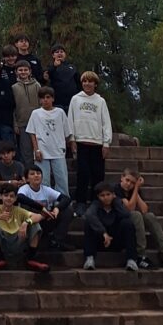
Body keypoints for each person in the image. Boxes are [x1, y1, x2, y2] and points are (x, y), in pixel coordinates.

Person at [68, 71, 113, 215]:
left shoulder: (100, 101)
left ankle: (96, 203)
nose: (87, 84)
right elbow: (70, 119)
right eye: (84, 81)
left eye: (90, 81)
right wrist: (72, 139)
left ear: (95, 84)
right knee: (83, 174)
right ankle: (80, 203)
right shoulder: (75, 99)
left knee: (98, 175)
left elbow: (106, 123)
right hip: (81, 142)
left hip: (97, 144)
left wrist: (106, 143)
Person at [115, 169, 163, 270]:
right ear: (121, 178)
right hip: (120, 225)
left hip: (132, 220)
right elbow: (129, 208)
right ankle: (141, 256)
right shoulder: (116, 189)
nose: (129, 184)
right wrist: (136, 187)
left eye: (132, 183)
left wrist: (136, 190)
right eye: (127, 180)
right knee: (136, 214)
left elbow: (144, 209)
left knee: (150, 216)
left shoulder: (133, 191)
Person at [0, 184, 48, 272]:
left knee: (35, 224)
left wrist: (26, 223)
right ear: (0, 196)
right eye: (6, 195)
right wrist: (0, 216)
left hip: (19, 241)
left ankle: (30, 258)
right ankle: (0, 258)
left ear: (15, 198)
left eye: (12, 196)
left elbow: (39, 216)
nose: (9, 198)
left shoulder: (18, 210)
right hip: (3, 242)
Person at [25, 86, 72, 196]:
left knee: (62, 179)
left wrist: (63, 145)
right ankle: (45, 202)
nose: (45, 100)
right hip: (42, 151)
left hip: (58, 150)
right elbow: (32, 133)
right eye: (42, 98)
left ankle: (63, 201)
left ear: (53, 98)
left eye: (48, 97)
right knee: (44, 180)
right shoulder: (36, 113)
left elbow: (67, 132)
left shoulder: (60, 112)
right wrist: (36, 149)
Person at [83, 181, 138, 271]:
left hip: (116, 240)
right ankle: (89, 258)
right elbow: (89, 214)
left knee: (127, 223)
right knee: (89, 223)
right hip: (101, 241)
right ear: (98, 197)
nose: (106, 198)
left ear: (113, 194)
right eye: (102, 195)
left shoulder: (117, 204)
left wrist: (116, 203)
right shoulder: (96, 205)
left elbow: (126, 214)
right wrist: (103, 232)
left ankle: (131, 260)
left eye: (108, 194)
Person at [16, 165, 73, 252]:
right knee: (31, 209)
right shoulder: (24, 189)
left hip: (46, 220)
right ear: (27, 179)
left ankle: (56, 241)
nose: (36, 175)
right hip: (30, 221)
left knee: (68, 210)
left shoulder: (46, 189)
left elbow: (66, 198)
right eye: (32, 174)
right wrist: (42, 208)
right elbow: (20, 198)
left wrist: (57, 208)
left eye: (38, 173)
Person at [11, 60, 41, 165]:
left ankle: (39, 171)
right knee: (26, 150)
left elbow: (41, 103)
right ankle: (29, 171)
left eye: (25, 70)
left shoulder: (37, 85)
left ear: (30, 71)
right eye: (20, 70)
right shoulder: (14, 87)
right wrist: (15, 124)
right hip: (22, 123)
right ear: (16, 72)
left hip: (37, 123)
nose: (23, 72)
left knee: (39, 148)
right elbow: (13, 107)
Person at [45, 44, 81, 113]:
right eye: (57, 52)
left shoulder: (72, 67)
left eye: (61, 52)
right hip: (57, 103)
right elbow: (46, 77)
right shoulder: (50, 67)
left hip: (72, 101)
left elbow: (78, 82)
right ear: (53, 55)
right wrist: (54, 66)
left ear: (65, 54)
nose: (59, 53)